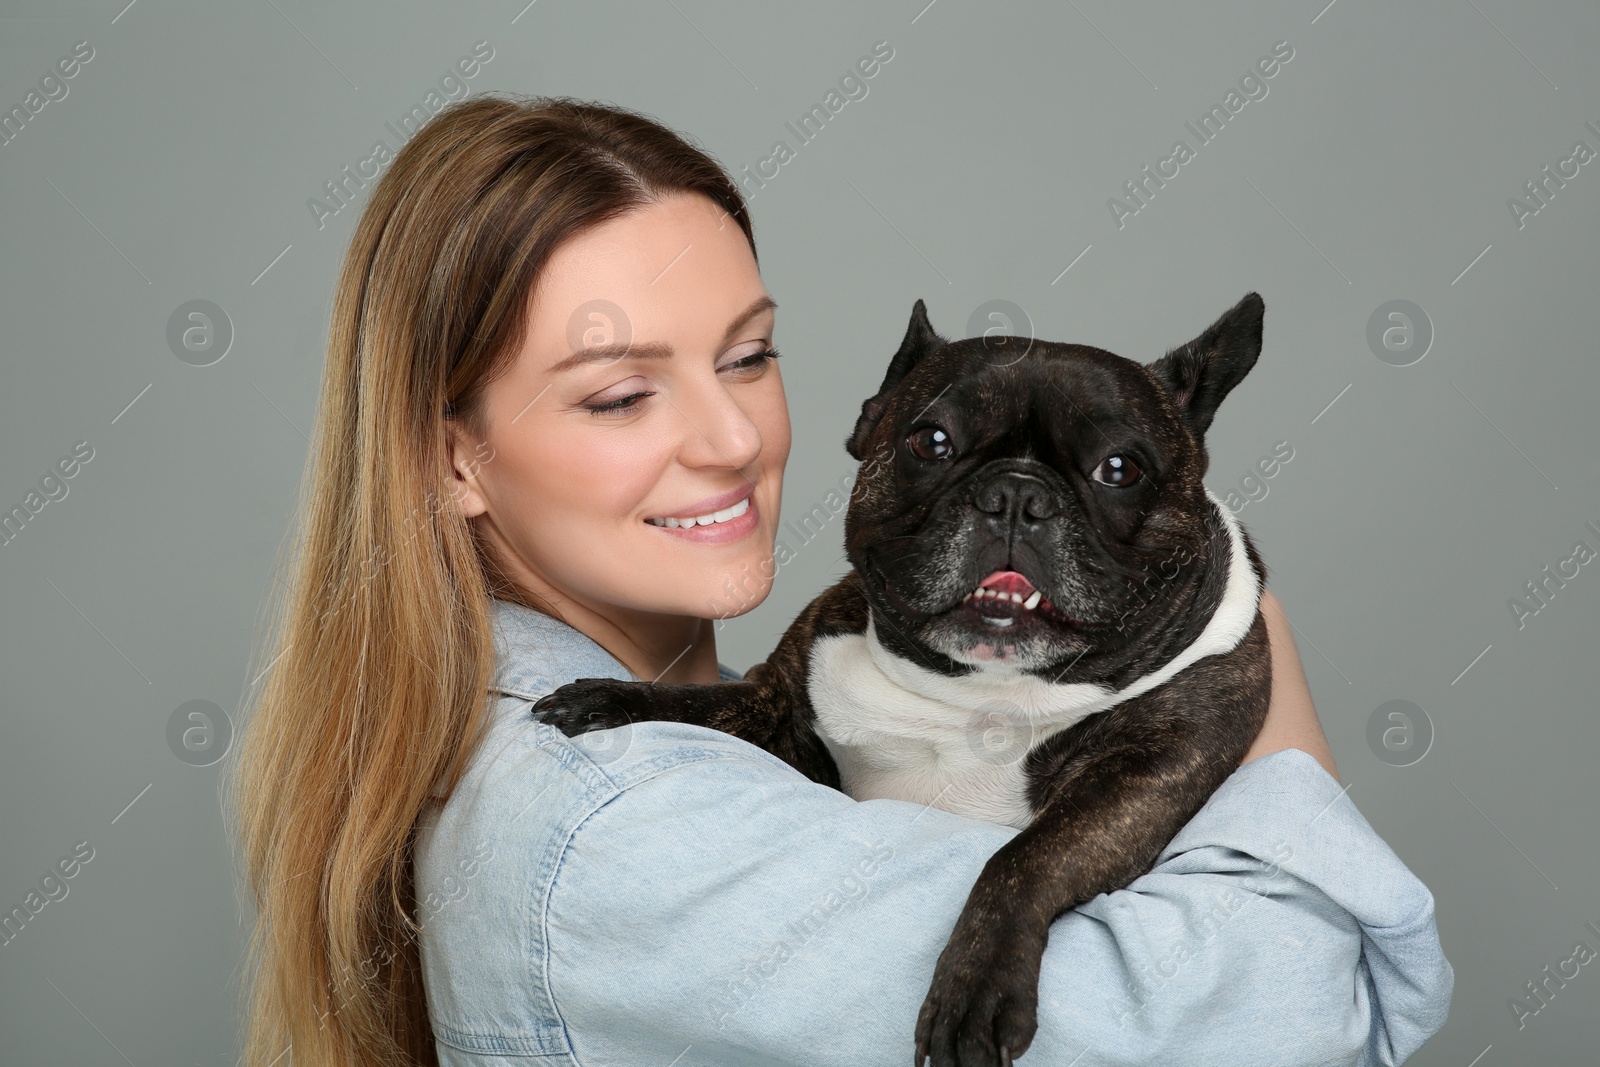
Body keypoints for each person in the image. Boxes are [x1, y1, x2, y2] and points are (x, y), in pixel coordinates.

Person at [227, 94, 1452, 1067]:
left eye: (749, 356)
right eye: (619, 392)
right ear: (452, 457)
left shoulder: (696, 728)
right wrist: (1245, 627)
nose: (730, 438)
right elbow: (1296, 1018)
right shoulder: (624, 823)